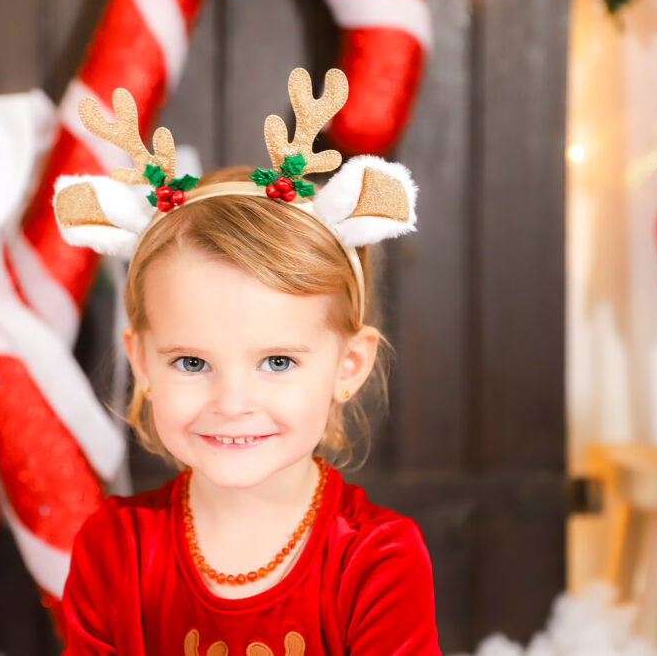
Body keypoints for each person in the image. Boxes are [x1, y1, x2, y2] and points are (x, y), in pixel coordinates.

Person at [52, 67, 441, 655]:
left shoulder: (377, 560)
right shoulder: (115, 551)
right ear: (142, 361)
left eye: (278, 362)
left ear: (348, 366)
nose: (232, 404)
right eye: (191, 363)